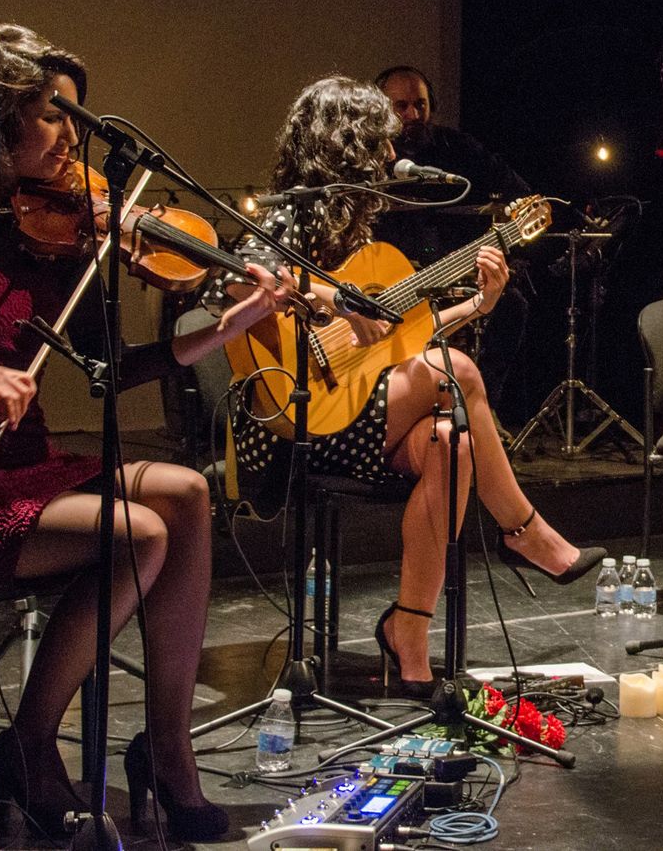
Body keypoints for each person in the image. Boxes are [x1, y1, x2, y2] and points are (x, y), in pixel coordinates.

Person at [0, 25, 294, 840]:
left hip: (19, 461)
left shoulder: (42, 234)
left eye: (76, 120)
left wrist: (230, 324)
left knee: (186, 493)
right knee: (141, 534)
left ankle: (168, 749)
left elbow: (110, 367)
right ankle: (31, 741)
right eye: (54, 116)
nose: (72, 140)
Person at [219, 76, 604, 697]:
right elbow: (237, 284)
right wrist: (338, 302)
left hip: (358, 410)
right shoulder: (290, 215)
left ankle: (409, 631)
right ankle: (524, 532)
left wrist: (479, 304)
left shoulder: (364, 238)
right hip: (293, 422)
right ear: (345, 146)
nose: (391, 154)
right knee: (463, 372)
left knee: (453, 445)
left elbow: (400, 339)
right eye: (379, 142)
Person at [373, 65, 534, 419]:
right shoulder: (368, 155)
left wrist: (512, 219)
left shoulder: (458, 147)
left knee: (513, 305)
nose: (413, 115)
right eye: (401, 106)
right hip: (390, 279)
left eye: (420, 104)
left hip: (455, 271)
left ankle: (481, 409)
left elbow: (517, 190)